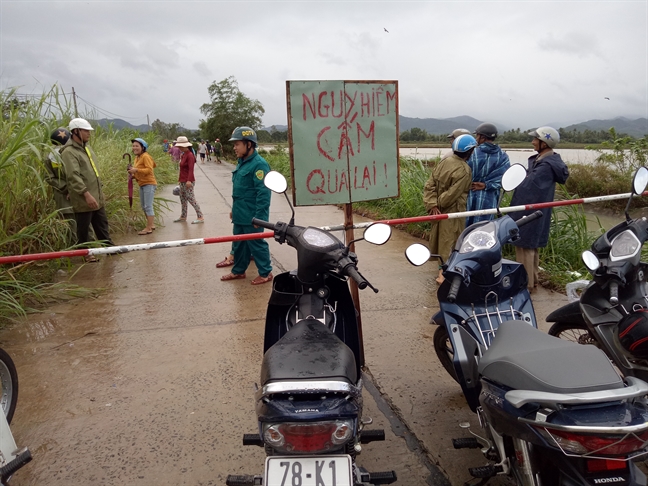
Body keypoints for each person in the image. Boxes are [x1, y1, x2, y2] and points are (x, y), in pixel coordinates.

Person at [510, 126, 569, 292]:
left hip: (530, 213)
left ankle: (525, 284)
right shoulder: (543, 161)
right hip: (536, 212)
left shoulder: (545, 166)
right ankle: (532, 280)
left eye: (536, 139)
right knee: (530, 246)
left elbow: (527, 189)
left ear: (544, 143)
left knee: (525, 246)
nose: (533, 142)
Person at [220, 127, 273, 285]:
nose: (234, 147)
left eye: (237, 144)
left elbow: (263, 194)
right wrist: (233, 210)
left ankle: (265, 273)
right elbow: (241, 190)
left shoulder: (259, 165)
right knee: (239, 245)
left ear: (249, 144)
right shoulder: (241, 162)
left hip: (252, 216)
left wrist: (260, 218)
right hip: (240, 214)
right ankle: (238, 271)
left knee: (256, 244)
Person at [423, 134, 475, 284]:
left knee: (440, 241)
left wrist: (432, 204)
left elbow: (429, 185)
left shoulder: (444, 162)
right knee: (450, 242)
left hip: (437, 210)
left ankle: (441, 272)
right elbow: (452, 195)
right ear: (469, 151)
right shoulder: (465, 170)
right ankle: (444, 275)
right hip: (452, 211)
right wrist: (438, 205)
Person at [60, 118, 114, 262]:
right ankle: (85, 253)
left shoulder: (86, 148)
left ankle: (110, 249)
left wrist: (98, 191)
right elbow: (73, 176)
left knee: (101, 225)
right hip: (84, 197)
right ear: (75, 131)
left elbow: (93, 172)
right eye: (85, 131)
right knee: (83, 228)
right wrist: (87, 194)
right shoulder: (69, 152)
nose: (88, 133)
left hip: (96, 194)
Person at [465, 123, 510, 227]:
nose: (476, 138)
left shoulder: (472, 153)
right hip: (490, 199)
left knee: (466, 228)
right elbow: (504, 180)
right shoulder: (503, 156)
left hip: (469, 196)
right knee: (485, 227)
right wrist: (487, 185)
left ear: (482, 137)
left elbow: (461, 174)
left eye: (477, 136)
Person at [44, 127, 76, 242]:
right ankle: (82, 250)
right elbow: (49, 177)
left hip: (78, 192)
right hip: (63, 195)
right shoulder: (50, 157)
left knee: (84, 221)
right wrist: (67, 189)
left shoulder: (74, 153)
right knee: (71, 223)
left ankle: (90, 249)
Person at [127, 138, 157, 235]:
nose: (134, 148)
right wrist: (133, 176)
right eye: (133, 146)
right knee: (144, 206)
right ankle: (151, 224)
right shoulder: (137, 158)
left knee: (148, 206)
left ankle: (148, 228)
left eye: (137, 146)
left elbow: (149, 170)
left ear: (143, 147)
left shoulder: (145, 156)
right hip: (142, 184)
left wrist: (136, 170)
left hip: (149, 183)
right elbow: (140, 171)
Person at [173, 136, 204, 224]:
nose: (179, 148)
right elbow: (182, 169)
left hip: (188, 181)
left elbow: (191, 169)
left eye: (181, 146)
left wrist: (189, 180)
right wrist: (180, 180)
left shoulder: (190, 155)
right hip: (182, 180)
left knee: (191, 199)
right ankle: (183, 216)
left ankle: (200, 216)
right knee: (182, 199)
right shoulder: (183, 154)